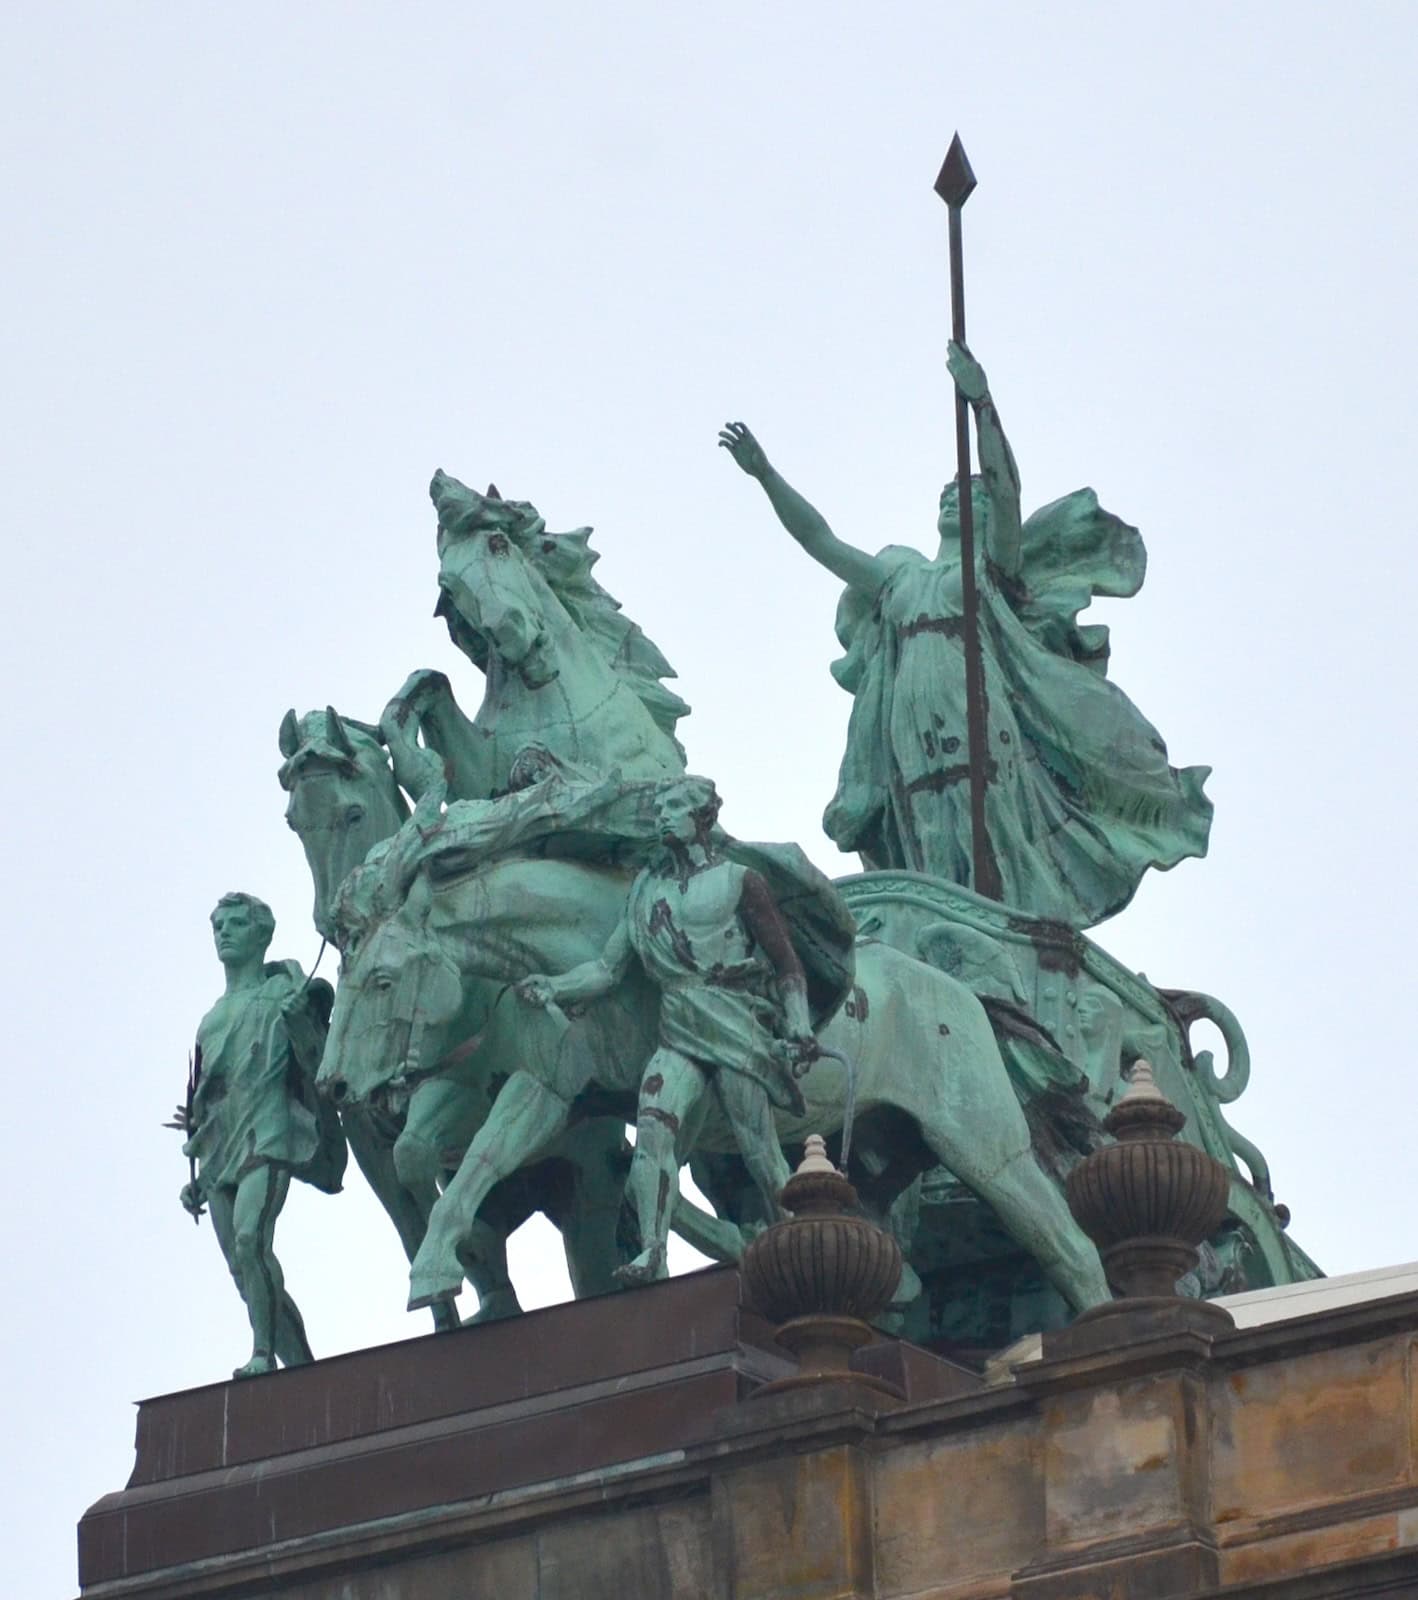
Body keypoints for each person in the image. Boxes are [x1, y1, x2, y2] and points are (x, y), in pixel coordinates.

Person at [719, 343, 1213, 929]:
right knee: (922, 810)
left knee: (984, 806)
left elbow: (1007, 489)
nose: (957, 495)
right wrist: (766, 475)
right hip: (909, 706)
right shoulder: (899, 574)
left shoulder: (988, 570)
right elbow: (820, 540)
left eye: (968, 494)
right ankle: (939, 924)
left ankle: (998, 921)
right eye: (949, 493)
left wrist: (982, 402)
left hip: (972, 692)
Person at [517, 777, 819, 1283]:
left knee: (760, 1150)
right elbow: (607, 970)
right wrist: (554, 986)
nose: (663, 816)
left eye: (675, 807)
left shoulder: (739, 880)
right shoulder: (645, 890)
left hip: (736, 1023)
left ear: (703, 818)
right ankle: (653, 1253)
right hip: (679, 1028)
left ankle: (801, 1245)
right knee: (653, 1130)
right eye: (660, 808)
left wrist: (799, 1023)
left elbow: (786, 961)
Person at [177, 893, 345, 1377]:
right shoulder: (210, 1020)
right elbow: (206, 1099)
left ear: (262, 934)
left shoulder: (285, 989)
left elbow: (320, 1028)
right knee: (242, 1270)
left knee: (252, 1240)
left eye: (236, 924)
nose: (224, 933)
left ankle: (263, 1355)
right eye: (218, 927)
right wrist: (199, 1175)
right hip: (222, 1145)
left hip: (269, 1129)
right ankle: (300, 1367)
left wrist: (305, 1013)